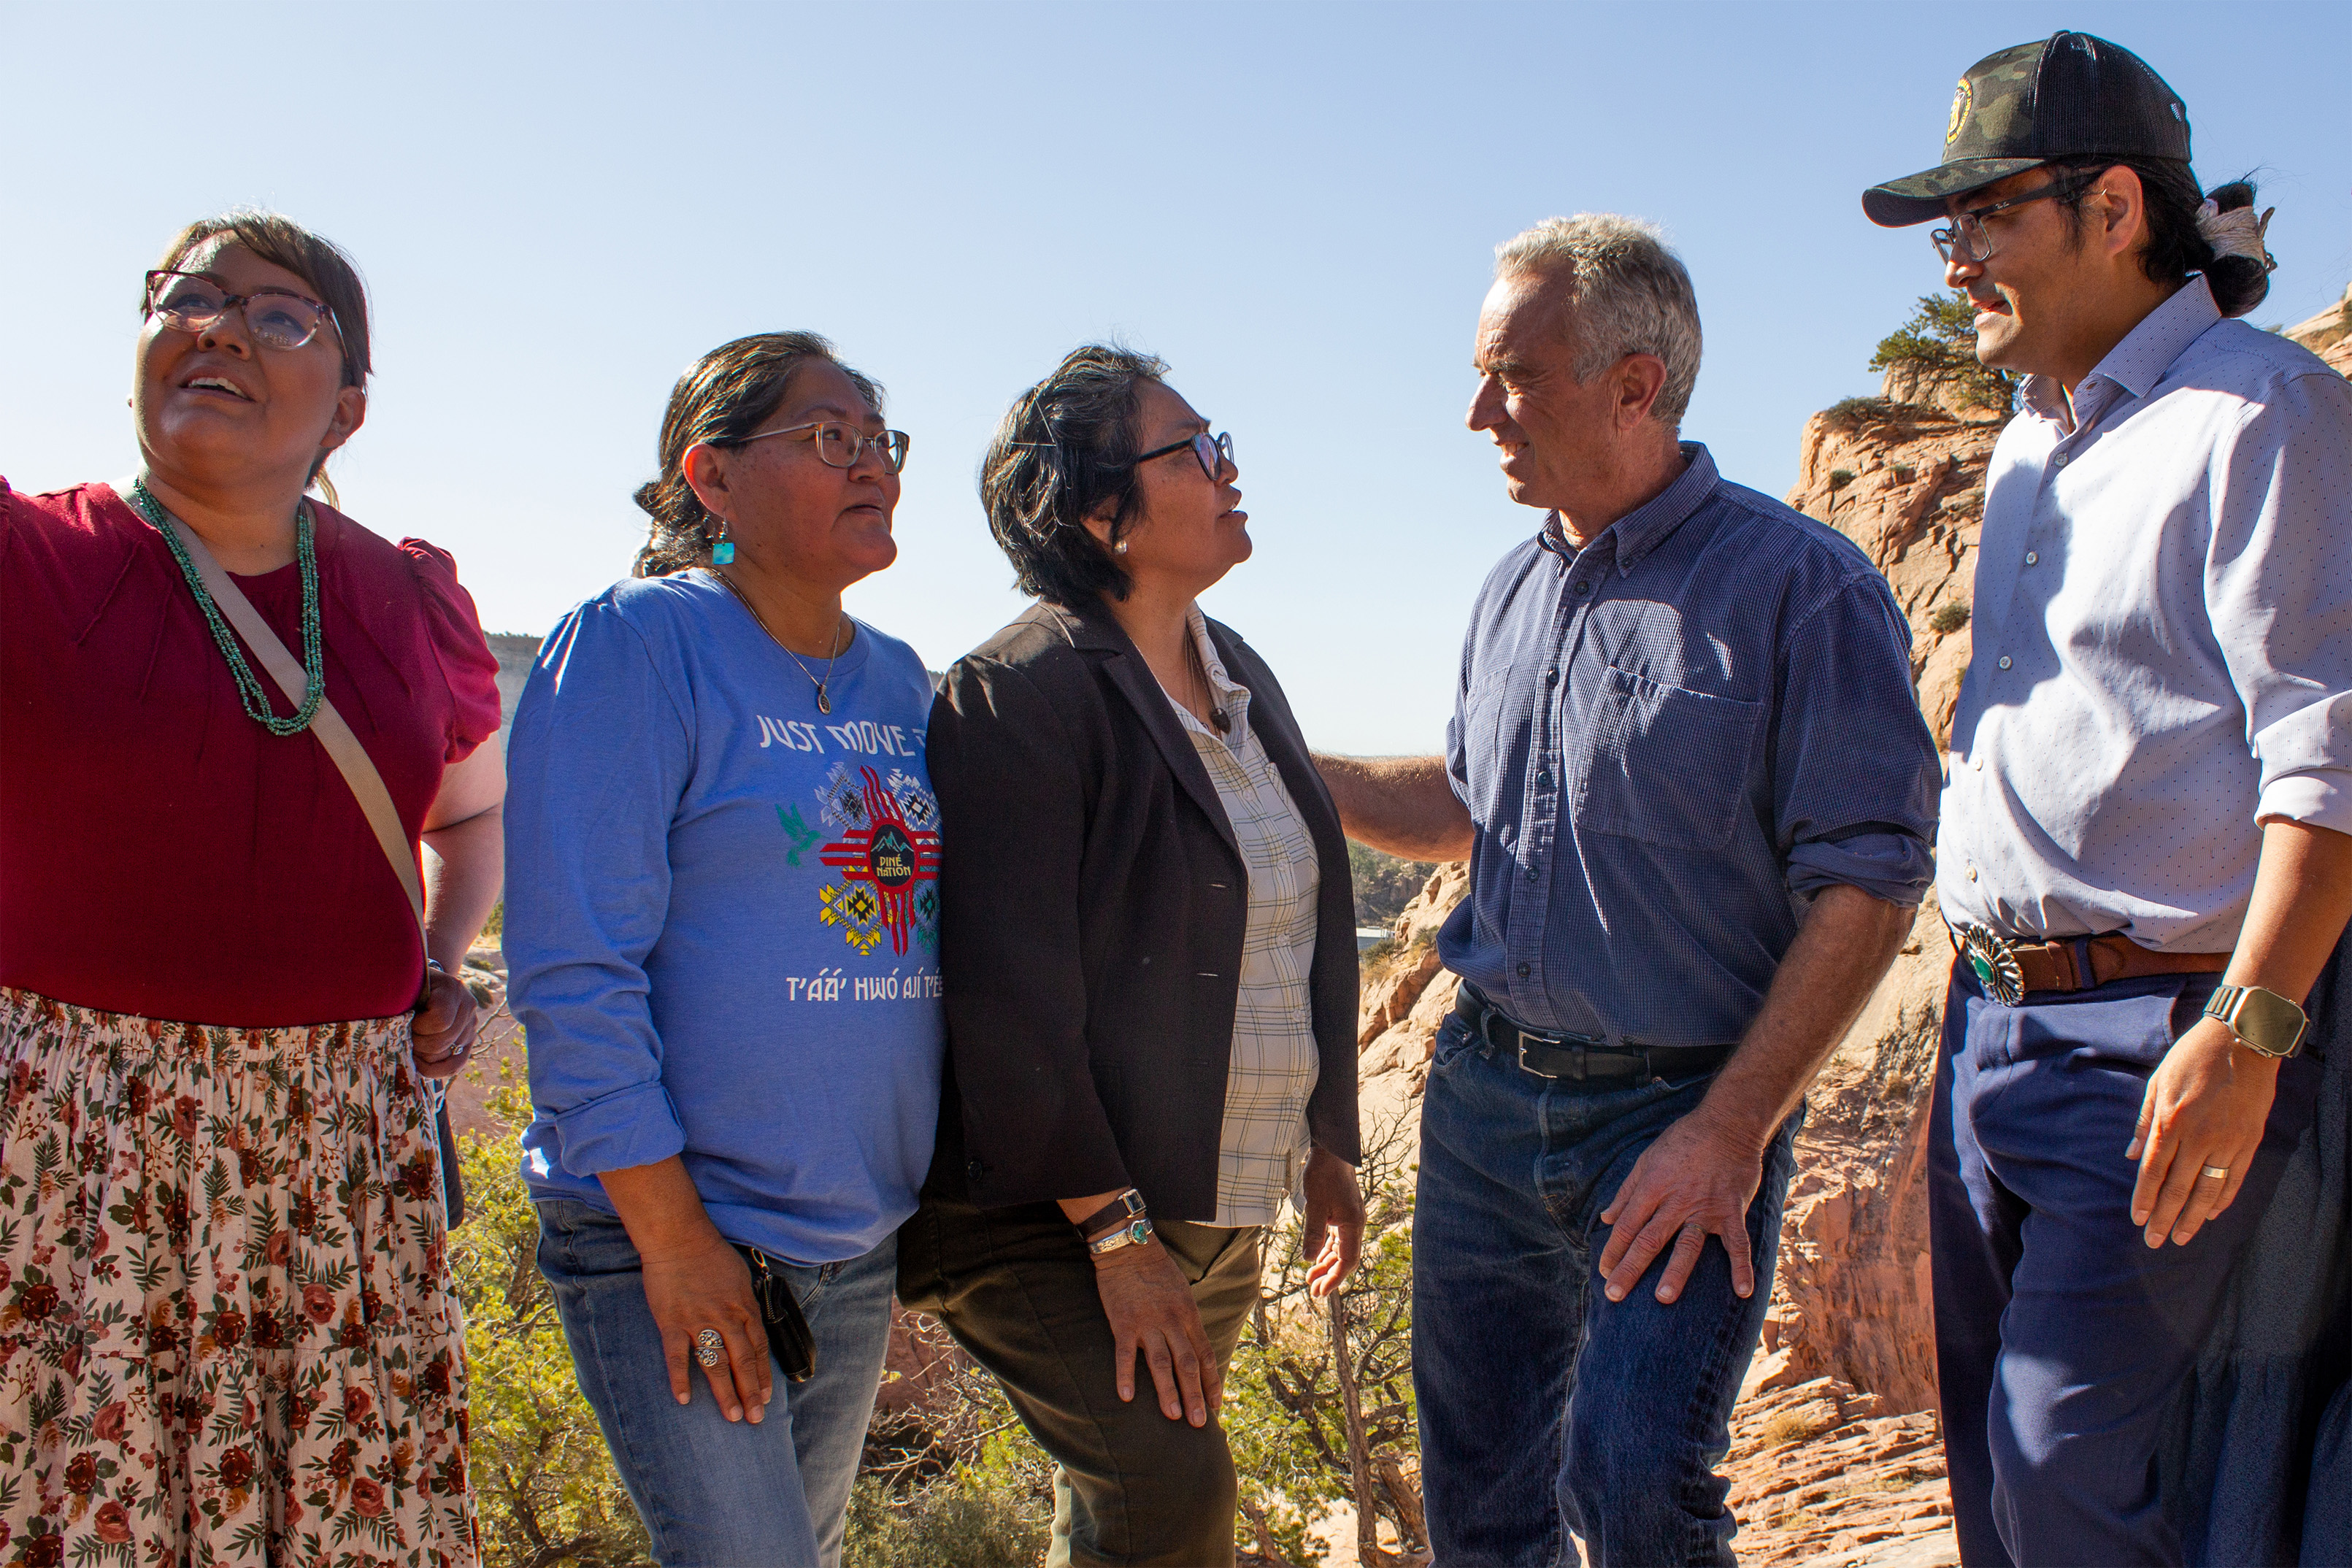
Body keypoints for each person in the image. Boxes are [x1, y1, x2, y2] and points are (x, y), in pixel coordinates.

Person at [1315, 216, 1940, 1564]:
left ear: (1634, 384)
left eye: (1512, 375)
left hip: (1677, 1113)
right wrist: (1297, 772)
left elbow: (1871, 886)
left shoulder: (1801, 589)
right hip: (1483, 1104)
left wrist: (1729, 1130)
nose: (1479, 411)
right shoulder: (1509, 588)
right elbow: (1472, 808)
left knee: (1634, 1486)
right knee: (1480, 1503)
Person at [1861, 31, 2352, 1565]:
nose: (1957, 267)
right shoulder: (2032, 438)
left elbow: (2328, 769)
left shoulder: (2263, 418)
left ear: (2117, 206)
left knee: (2063, 1469)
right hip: (1990, 1033)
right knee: (1994, 1476)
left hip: (2158, 1040)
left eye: (1984, 219)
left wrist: (2247, 1032)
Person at [0, 212, 497, 1566]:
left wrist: (442, 958)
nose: (218, 325)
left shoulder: (404, 598)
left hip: (333, 1157)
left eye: (281, 314)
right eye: (188, 297)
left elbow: (476, 807)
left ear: (347, 409)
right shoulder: (28, 557)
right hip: (74, 1156)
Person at [898, 345, 1367, 1567]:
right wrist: (1116, 1238)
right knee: (1167, 1498)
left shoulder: (1237, 671)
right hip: (1055, 1218)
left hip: (1206, 1203)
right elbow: (1009, 1001)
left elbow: (1295, 922)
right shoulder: (1019, 692)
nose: (1228, 472)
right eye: (1195, 451)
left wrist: (1328, 1143)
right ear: (1100, 514)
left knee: (1120, 1521)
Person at [507, 332, 941, 1568]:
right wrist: (675, 1241)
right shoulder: (640, 643)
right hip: (681, 1233)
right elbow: (573, 970)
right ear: (711, 478)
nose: (872, 467)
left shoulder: (903, 683)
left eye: (879, 441)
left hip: (851, 1244)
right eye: (827, 439)